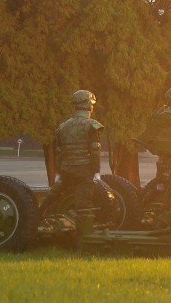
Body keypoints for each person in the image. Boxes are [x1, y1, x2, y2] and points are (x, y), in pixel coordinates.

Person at [54, 89, 105, 245]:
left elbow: (59, 152)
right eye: (91, 103)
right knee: (84, 206)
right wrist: (96, 171)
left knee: (54, 199)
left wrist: (58, 172)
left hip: (66, 170)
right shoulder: (92, 126)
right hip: (84, 171)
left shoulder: (63, 127)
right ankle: (82, 242)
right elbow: (95, 150)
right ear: (87, 105)